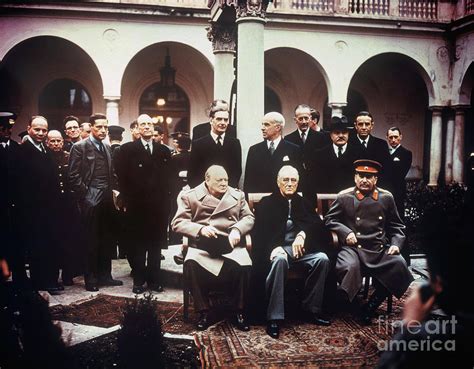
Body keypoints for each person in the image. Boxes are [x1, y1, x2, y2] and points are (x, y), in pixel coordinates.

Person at [377, 197, 474, 368]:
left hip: (383, 251)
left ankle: (371, 304)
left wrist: (408, 329)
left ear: (437, 283)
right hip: (358, 251)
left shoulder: (431, 341)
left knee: (398, 265)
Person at [324, 159, 413, 325]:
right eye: (361, 176)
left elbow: (397, 225)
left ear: (376, 179)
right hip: (353, 248)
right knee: (349, 267)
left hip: (378, 247)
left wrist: (395, 244)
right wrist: (346, 232)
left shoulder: (386, 197)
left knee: (399, 264)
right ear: (355, 177)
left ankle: (371, 306)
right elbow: (329, 219)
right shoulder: (345, 196)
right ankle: (348, 305)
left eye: (369, 176)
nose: (365, 180)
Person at [253, 166, 332, 339]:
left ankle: (311, 309)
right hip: (277, 252)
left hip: (300, 253)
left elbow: (316, 225)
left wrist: (303, 235)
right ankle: (274, 317)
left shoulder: (303, 202)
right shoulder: (267, 203)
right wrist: (274, 247)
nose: (290, 184)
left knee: (322, 259)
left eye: (293, 180)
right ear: (278, 182)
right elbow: (259, 234)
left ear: (298, 182)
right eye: (286, 180)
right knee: (280, 260)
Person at [171, 165, 254, 331]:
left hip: (230, 244)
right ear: (207, 180)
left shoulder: (237, 195)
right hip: (202, 245)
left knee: (245, 264)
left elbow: (249, 217)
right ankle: (204, 312)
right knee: (190, 264)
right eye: (219, 180)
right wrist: (200, 229)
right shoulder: (190, 196)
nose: (224, 183)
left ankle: (239, 311)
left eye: (226, 180)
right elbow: (177, 222)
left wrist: (237, 229)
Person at [115, 114, 171, 294]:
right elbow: (122, 178)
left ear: (153, 128)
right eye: (143, 124)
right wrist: (127, 201)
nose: (147, 127)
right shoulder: (127, 150)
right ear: (137, 128)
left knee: (155, 246)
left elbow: (168, 181)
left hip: (158, 207)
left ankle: (154, 281)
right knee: (138, 245)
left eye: (149, 124)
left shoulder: (163, 151)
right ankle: (138, 281)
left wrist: (166, 205)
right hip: (137, 207)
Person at [69, 113, 123, 292]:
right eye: (99, 127)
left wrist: (115, 192)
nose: (103, 130)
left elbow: (112, 173)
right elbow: (73, 175)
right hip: (91, 199)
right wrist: (86, 195)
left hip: (108, 199)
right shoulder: (80, 147)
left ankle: (105, 275)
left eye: (105, 127)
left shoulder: (107, 148)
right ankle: (90, 278)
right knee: (91, 240)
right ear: (91, 127)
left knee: (107, 239)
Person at [17, 116, 63, 293]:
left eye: (44, 130)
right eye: (37, 129)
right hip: (33, 209)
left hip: (49, 209)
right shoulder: (22, 152)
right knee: (37, 246)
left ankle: (50, 279)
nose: (41, 133)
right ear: (29, 128)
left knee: (49, 244)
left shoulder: (45, 149)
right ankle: (40, 281)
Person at [0, 112, 28, 289]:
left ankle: (20, 278)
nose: (7, 131)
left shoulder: (17, 149)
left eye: (9, 128)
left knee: (17, 241)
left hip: (15, 206)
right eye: (3, 128)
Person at [244, 112, 303, 194]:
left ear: (278, 127)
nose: (262, 128)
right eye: (262, 124)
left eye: (266, 125)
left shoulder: (294, 150)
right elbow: (248, 182)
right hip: (260, 201)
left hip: (284, 200)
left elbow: (299, 179)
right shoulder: (254, 150)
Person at [187, 102, 242, 188]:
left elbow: (237, 171)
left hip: (227, 193)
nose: (223, 123)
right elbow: (193, 173)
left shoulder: (235, 143)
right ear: (211, 120)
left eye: (226, 120)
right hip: (205, 194)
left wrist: (226, 191)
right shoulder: (198, 144)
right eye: (219, 119)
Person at [309, 115, 360, 194]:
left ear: (348, 134)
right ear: (330, 135)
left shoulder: (358, 154)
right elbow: (315, 182)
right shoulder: (319, 155)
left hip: (351, 199)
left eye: (344, 132)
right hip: (326, 199)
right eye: (337, 133)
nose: (340, 135)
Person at [350, 111, 391, 186]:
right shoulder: (348, 143)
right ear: (355, 126)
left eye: (367, 124)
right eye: (360, 124)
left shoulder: (381, 144)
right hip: (353, 187)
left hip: (375, 187)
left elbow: (386, 170)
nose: (364, 127)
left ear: (372, 125)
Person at [384, 127, 412, 217]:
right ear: (387, 137)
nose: (393, 140)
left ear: (400, 137)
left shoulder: (406, 153)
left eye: (396, 137)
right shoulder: (383, 152)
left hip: (398, 189)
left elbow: (401, 173)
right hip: (384, 188)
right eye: (391, 137)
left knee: (398, 214)